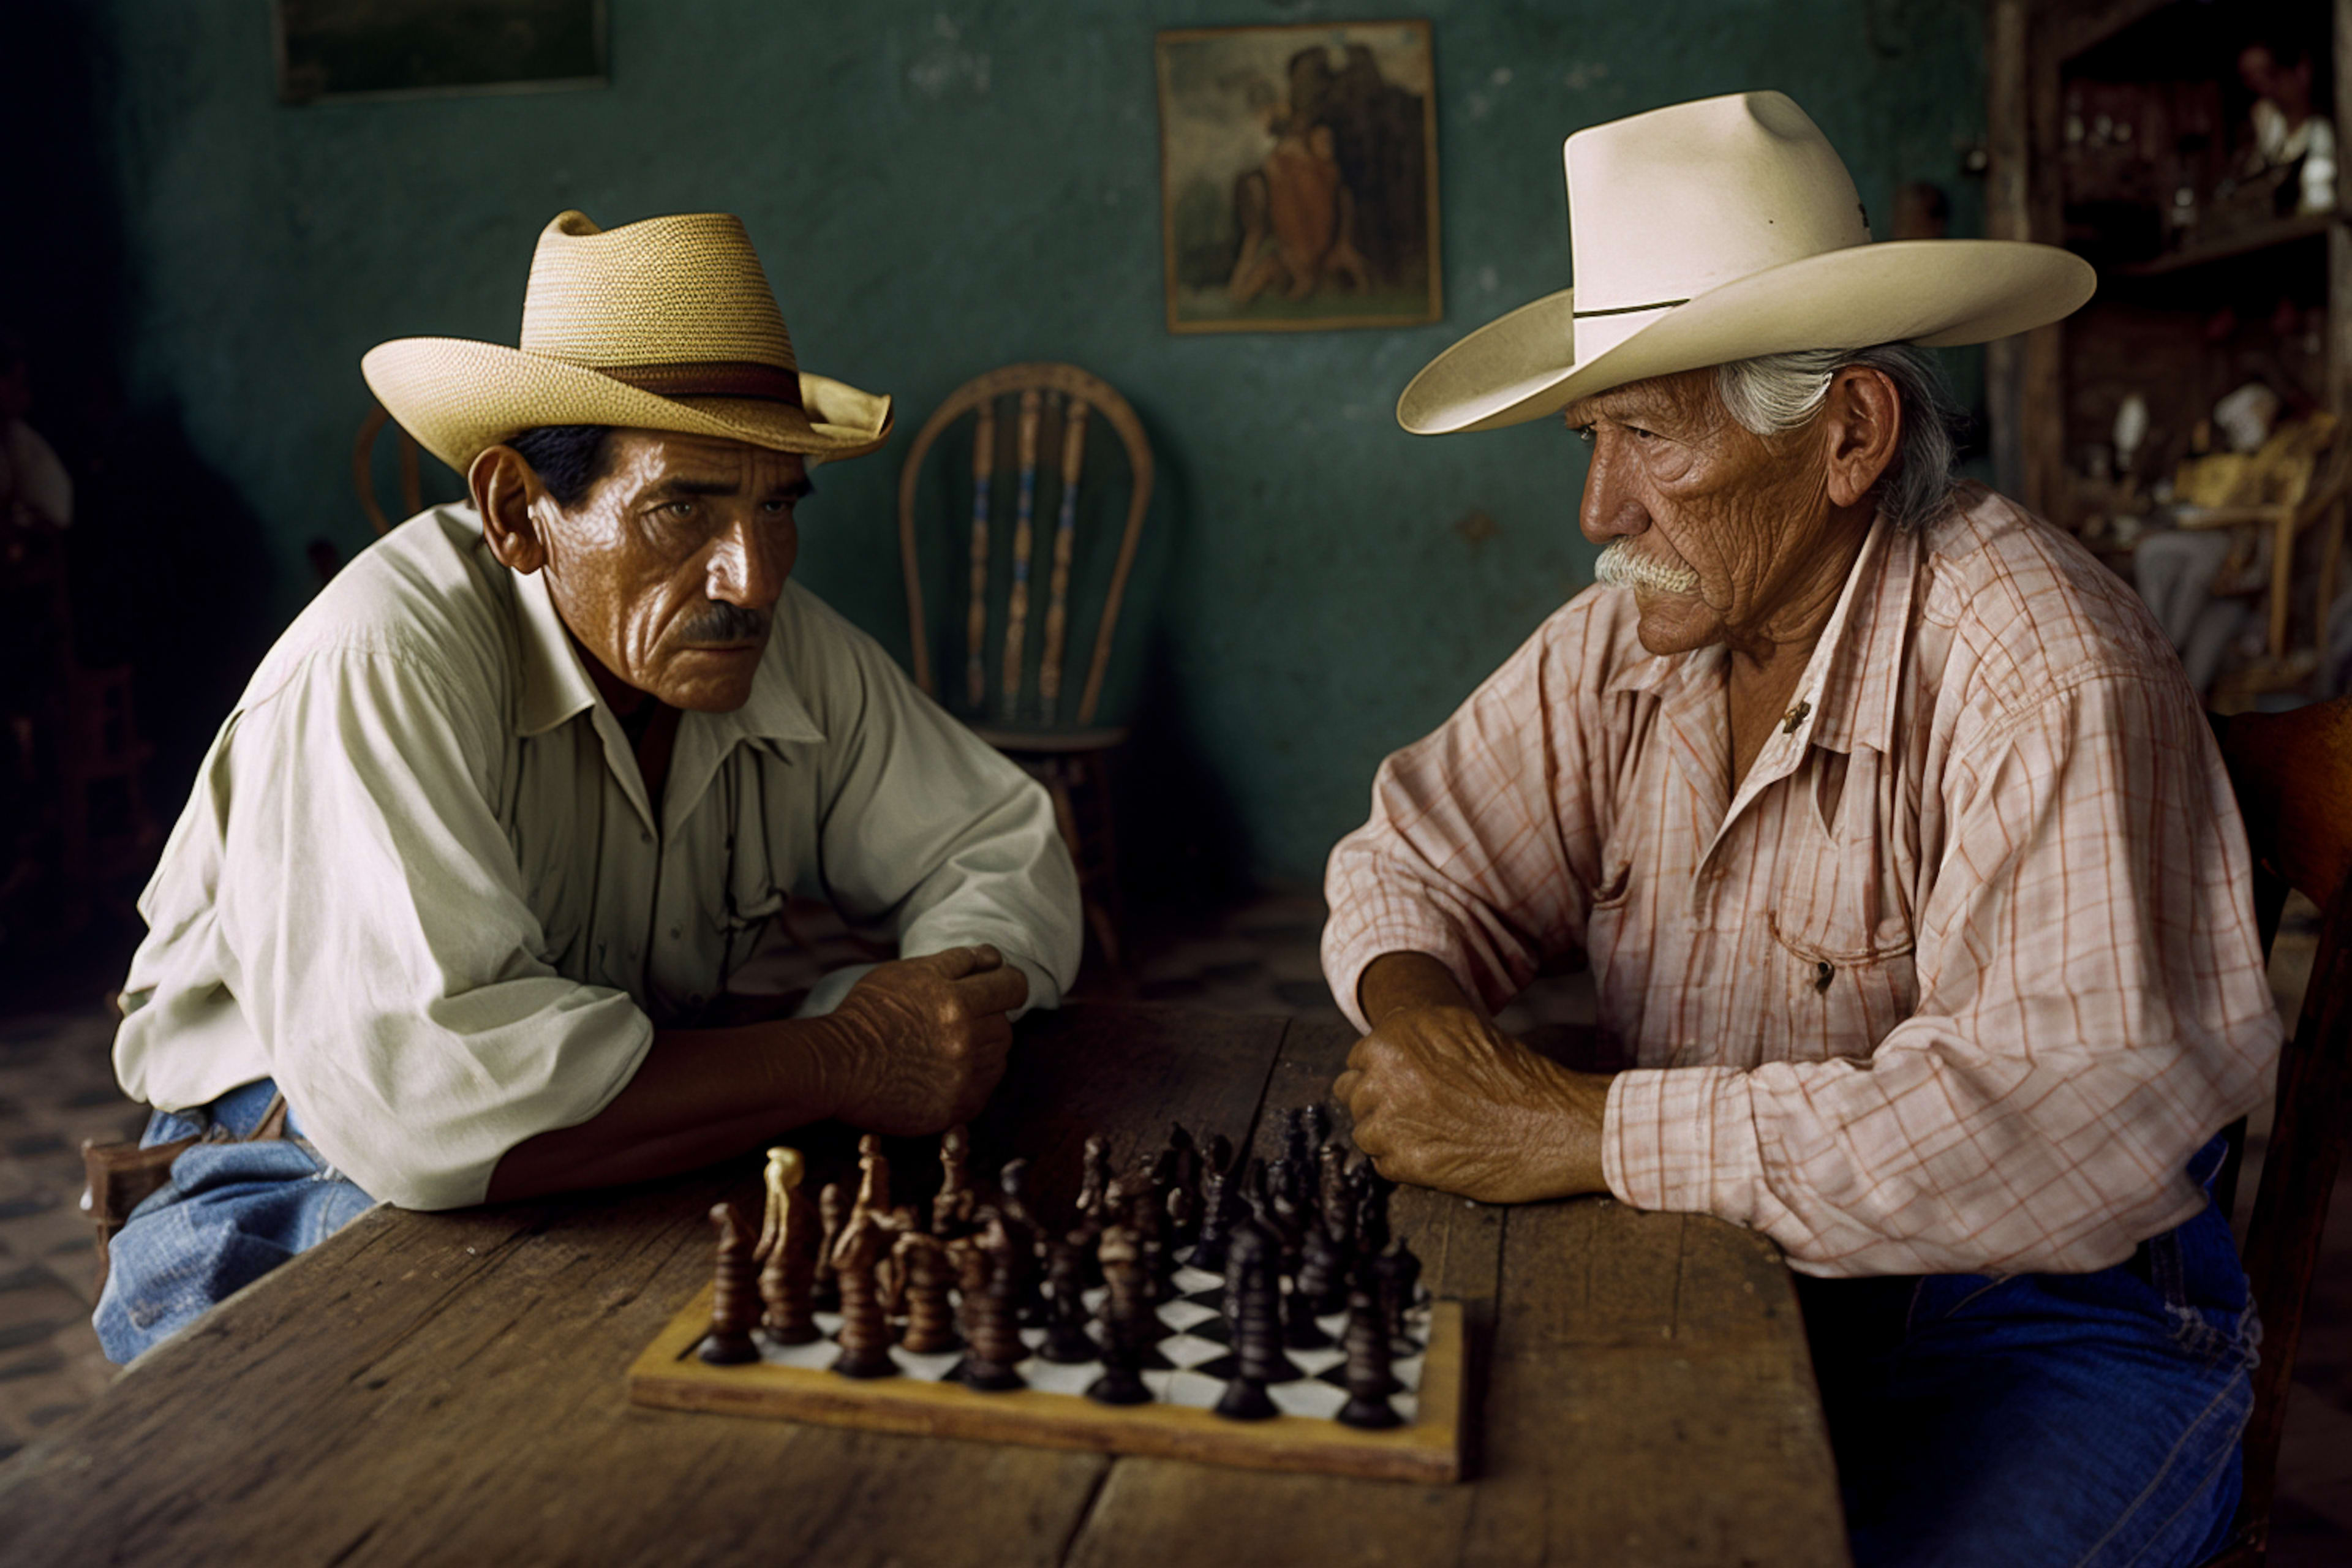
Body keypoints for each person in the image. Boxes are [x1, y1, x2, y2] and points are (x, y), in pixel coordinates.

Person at [1324, 93, 2278, 1567]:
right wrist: (1436, 1038)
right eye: (1593, 436)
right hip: (1725, 1266)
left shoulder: (2037, 659)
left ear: (1847, 433)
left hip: (2044, 1315)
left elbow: (2060, 1119)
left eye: (1646, 435)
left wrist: (1576, 1124)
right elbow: (1410, 859)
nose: (1595, 507)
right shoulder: (1632, 640)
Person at [97, 210, 1082, 1362]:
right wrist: (845, 1054)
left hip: (604, 1144)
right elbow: (432, 1109)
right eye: (686, 508)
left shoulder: (767, 642)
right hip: (282, 1177)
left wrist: (933, 1008)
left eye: (777, 506)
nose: (752, 577)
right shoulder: (381, 661)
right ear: (520, 512)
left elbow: (1000, 846)